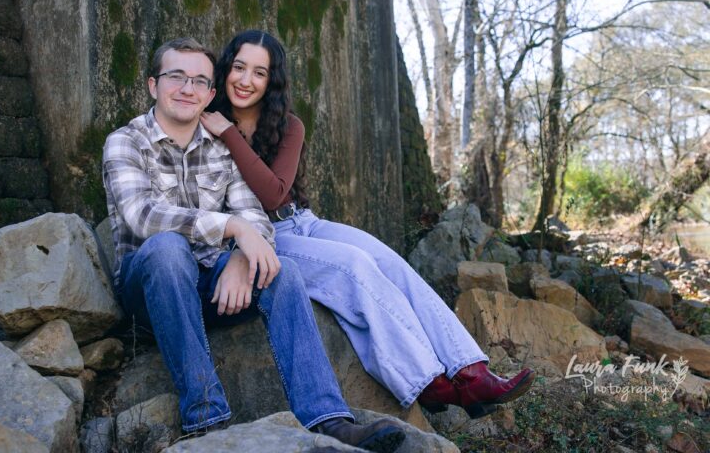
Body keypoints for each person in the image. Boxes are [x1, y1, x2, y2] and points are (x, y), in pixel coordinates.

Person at [201, 30, 536, 419]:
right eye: (239, 67)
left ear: (271, 81)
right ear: (226, 68)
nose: (246, 80)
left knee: (389, 261)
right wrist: (226, 131)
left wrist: (229, 134)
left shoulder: (288, 125)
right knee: (353, 267)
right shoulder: (209, 124)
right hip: (265, 239)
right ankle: (427, 381)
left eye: (259, 72)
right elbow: (268, 198)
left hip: (302, 222)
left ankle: (470, 370)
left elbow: (279, 193)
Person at [102, 37, 406, 452]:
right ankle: (207, 420)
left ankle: (328, 419)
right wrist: (233, 229)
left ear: (211, 94)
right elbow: (143, 217)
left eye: (199, 81)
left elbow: (256, 220)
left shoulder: (221, 151)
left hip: (211, 291)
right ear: (153, 85)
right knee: (167, 249)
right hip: (149, 291)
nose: (187, 89)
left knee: (284, 273)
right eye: (176, 77)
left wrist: (243, 256)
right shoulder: (125, 141)